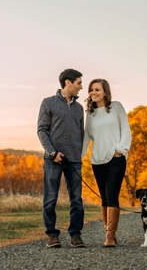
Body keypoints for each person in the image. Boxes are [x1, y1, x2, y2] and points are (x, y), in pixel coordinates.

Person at [37, 68, 85, 248]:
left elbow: (81, 134)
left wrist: (79, 156)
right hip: (53, 160)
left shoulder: (79, 108)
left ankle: (76, 235)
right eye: (79, 83)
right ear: (68, 82)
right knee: (50, 199)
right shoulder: (48, 103)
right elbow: (41, 130)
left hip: (74, 161)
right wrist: (52, 153)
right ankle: (52, 235)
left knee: (77, 200)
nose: (81, 87)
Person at [82, 78, 131, 247]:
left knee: (111, 196)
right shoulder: (90, 113)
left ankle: (110, 236)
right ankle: (108, 233)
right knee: (104, 198)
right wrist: (78, 158)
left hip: (116, 159)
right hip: (98, 160)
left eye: (97, 89)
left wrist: (121, 149)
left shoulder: (116, 107)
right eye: (91, 90)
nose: (93, 93)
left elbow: (125, 129)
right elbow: (86, 138)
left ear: (105, 92)